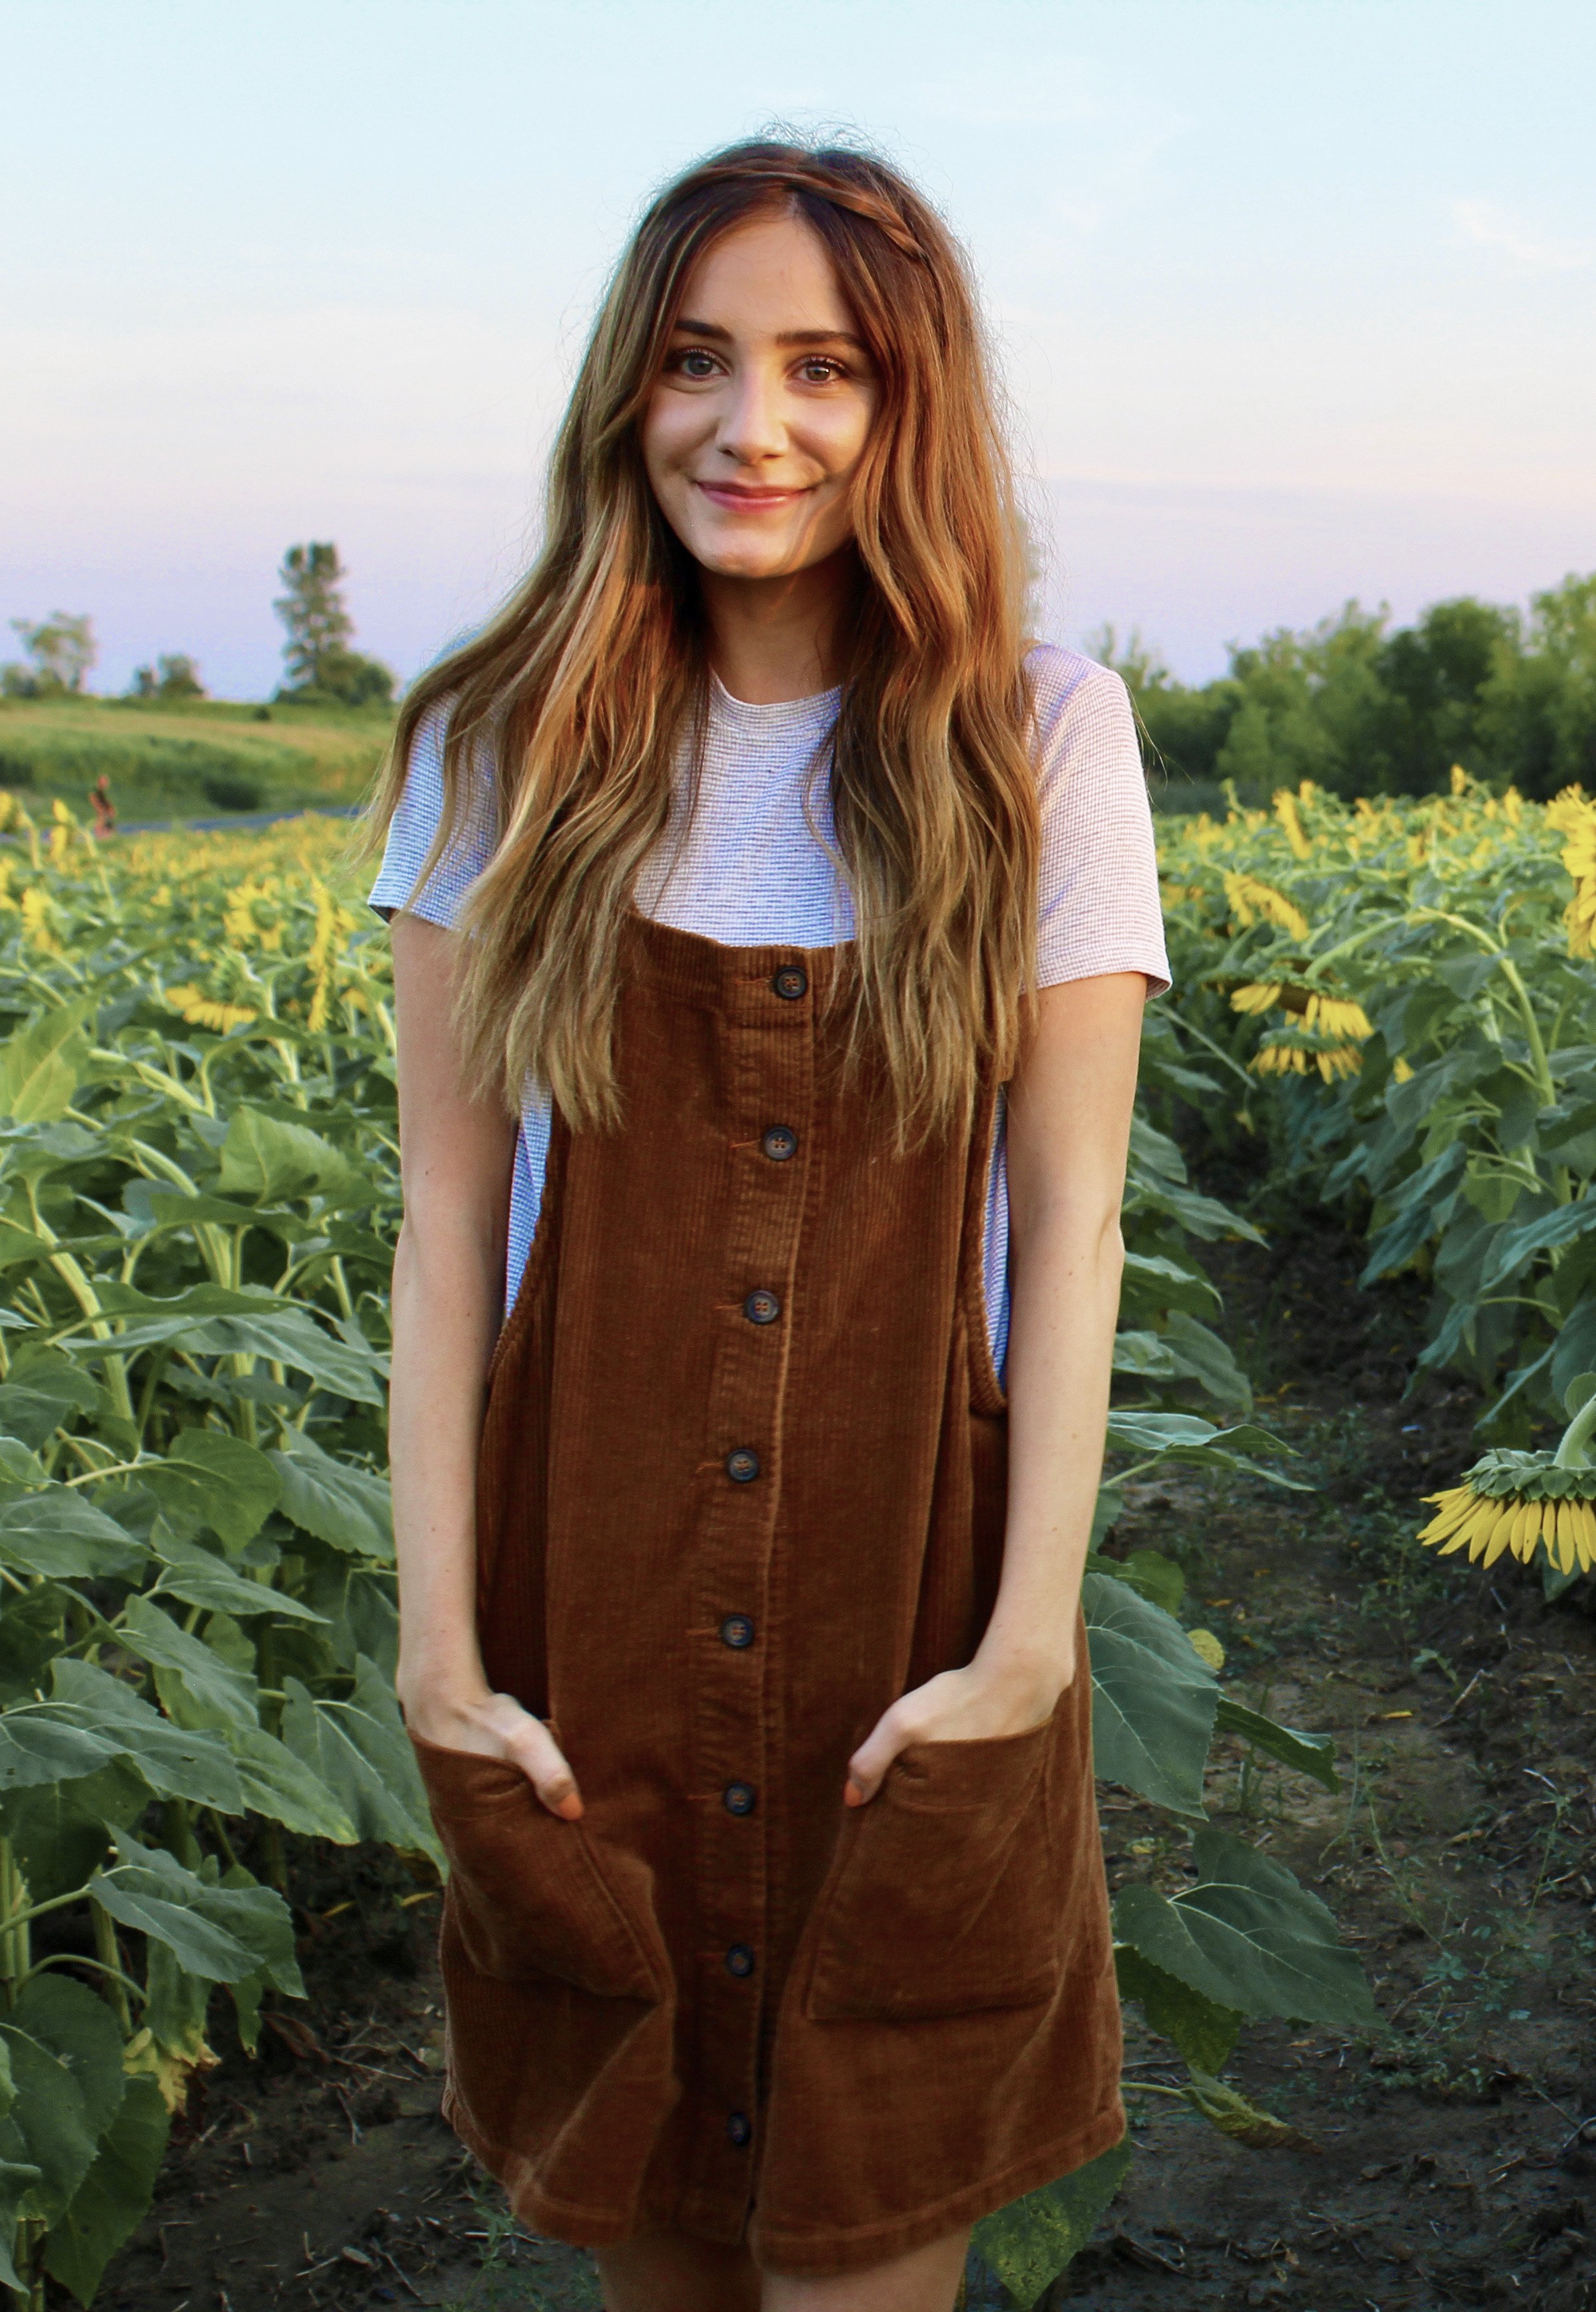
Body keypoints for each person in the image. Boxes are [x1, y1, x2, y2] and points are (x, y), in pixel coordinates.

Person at [368, 139, 1164, 2311]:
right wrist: (439, 1650)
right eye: (698, 362)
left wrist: (1029, 1644)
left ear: (912, 409)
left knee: (858, 2257)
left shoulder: (1035, 739)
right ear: (629, 395)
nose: (757, 426)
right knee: (657, 2249)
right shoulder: (498, 744)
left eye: (827, 368)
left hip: (906, 1612)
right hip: (588, 1603)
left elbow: (1070, 1212)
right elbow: (448, 1227)